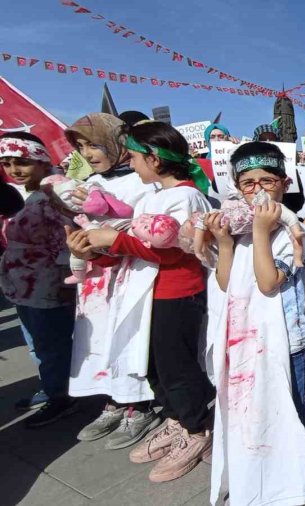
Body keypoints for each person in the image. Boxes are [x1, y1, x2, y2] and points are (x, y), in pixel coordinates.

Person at [204, 141, 305, 505]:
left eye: (267, 181)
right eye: (248, 183)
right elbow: (224, 283)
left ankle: (291, 484)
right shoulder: (239, 231)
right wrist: (223, 242)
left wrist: (259, 232)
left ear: (284, 184)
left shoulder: (289, 231)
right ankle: (258, 474)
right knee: (253, 413)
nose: (257, 190)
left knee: (289, 411)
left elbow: (269, 283)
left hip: (288, 344)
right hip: (248, 343)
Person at [76, 121, 215, 482]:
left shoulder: (186, 197)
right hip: (144, 291)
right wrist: (97, 250)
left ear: (155, 159)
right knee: (152, 363)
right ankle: (173, 419)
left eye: (136, 157)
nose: (132, 164)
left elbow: (175, 253)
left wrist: (114, 239)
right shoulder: (152, 196)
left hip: (176, 292)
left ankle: (196, 430)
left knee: (177, 366)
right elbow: (139, 249)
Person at [63, 113, 158, 449]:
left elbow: (146, 228)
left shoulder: (141, 180)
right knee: (100, 338)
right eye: (81, 147)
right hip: (96, 279)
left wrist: (106, 239)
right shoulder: (92, 182)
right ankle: (112, 399)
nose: (87, 153)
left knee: (128, 336)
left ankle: (138, 403)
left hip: (128, 271)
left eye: (94, 144)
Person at [0, 134, 77, 427]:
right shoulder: (26, 194)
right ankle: (54, 389)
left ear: (42, 161)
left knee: (51, 346)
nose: (14, 169)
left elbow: (65, 243)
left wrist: (63, 281)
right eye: (6, 163)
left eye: (22, 162)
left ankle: (62, 398)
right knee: (41, 345)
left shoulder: (53, 194)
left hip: (47, 286)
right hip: (23, 287)